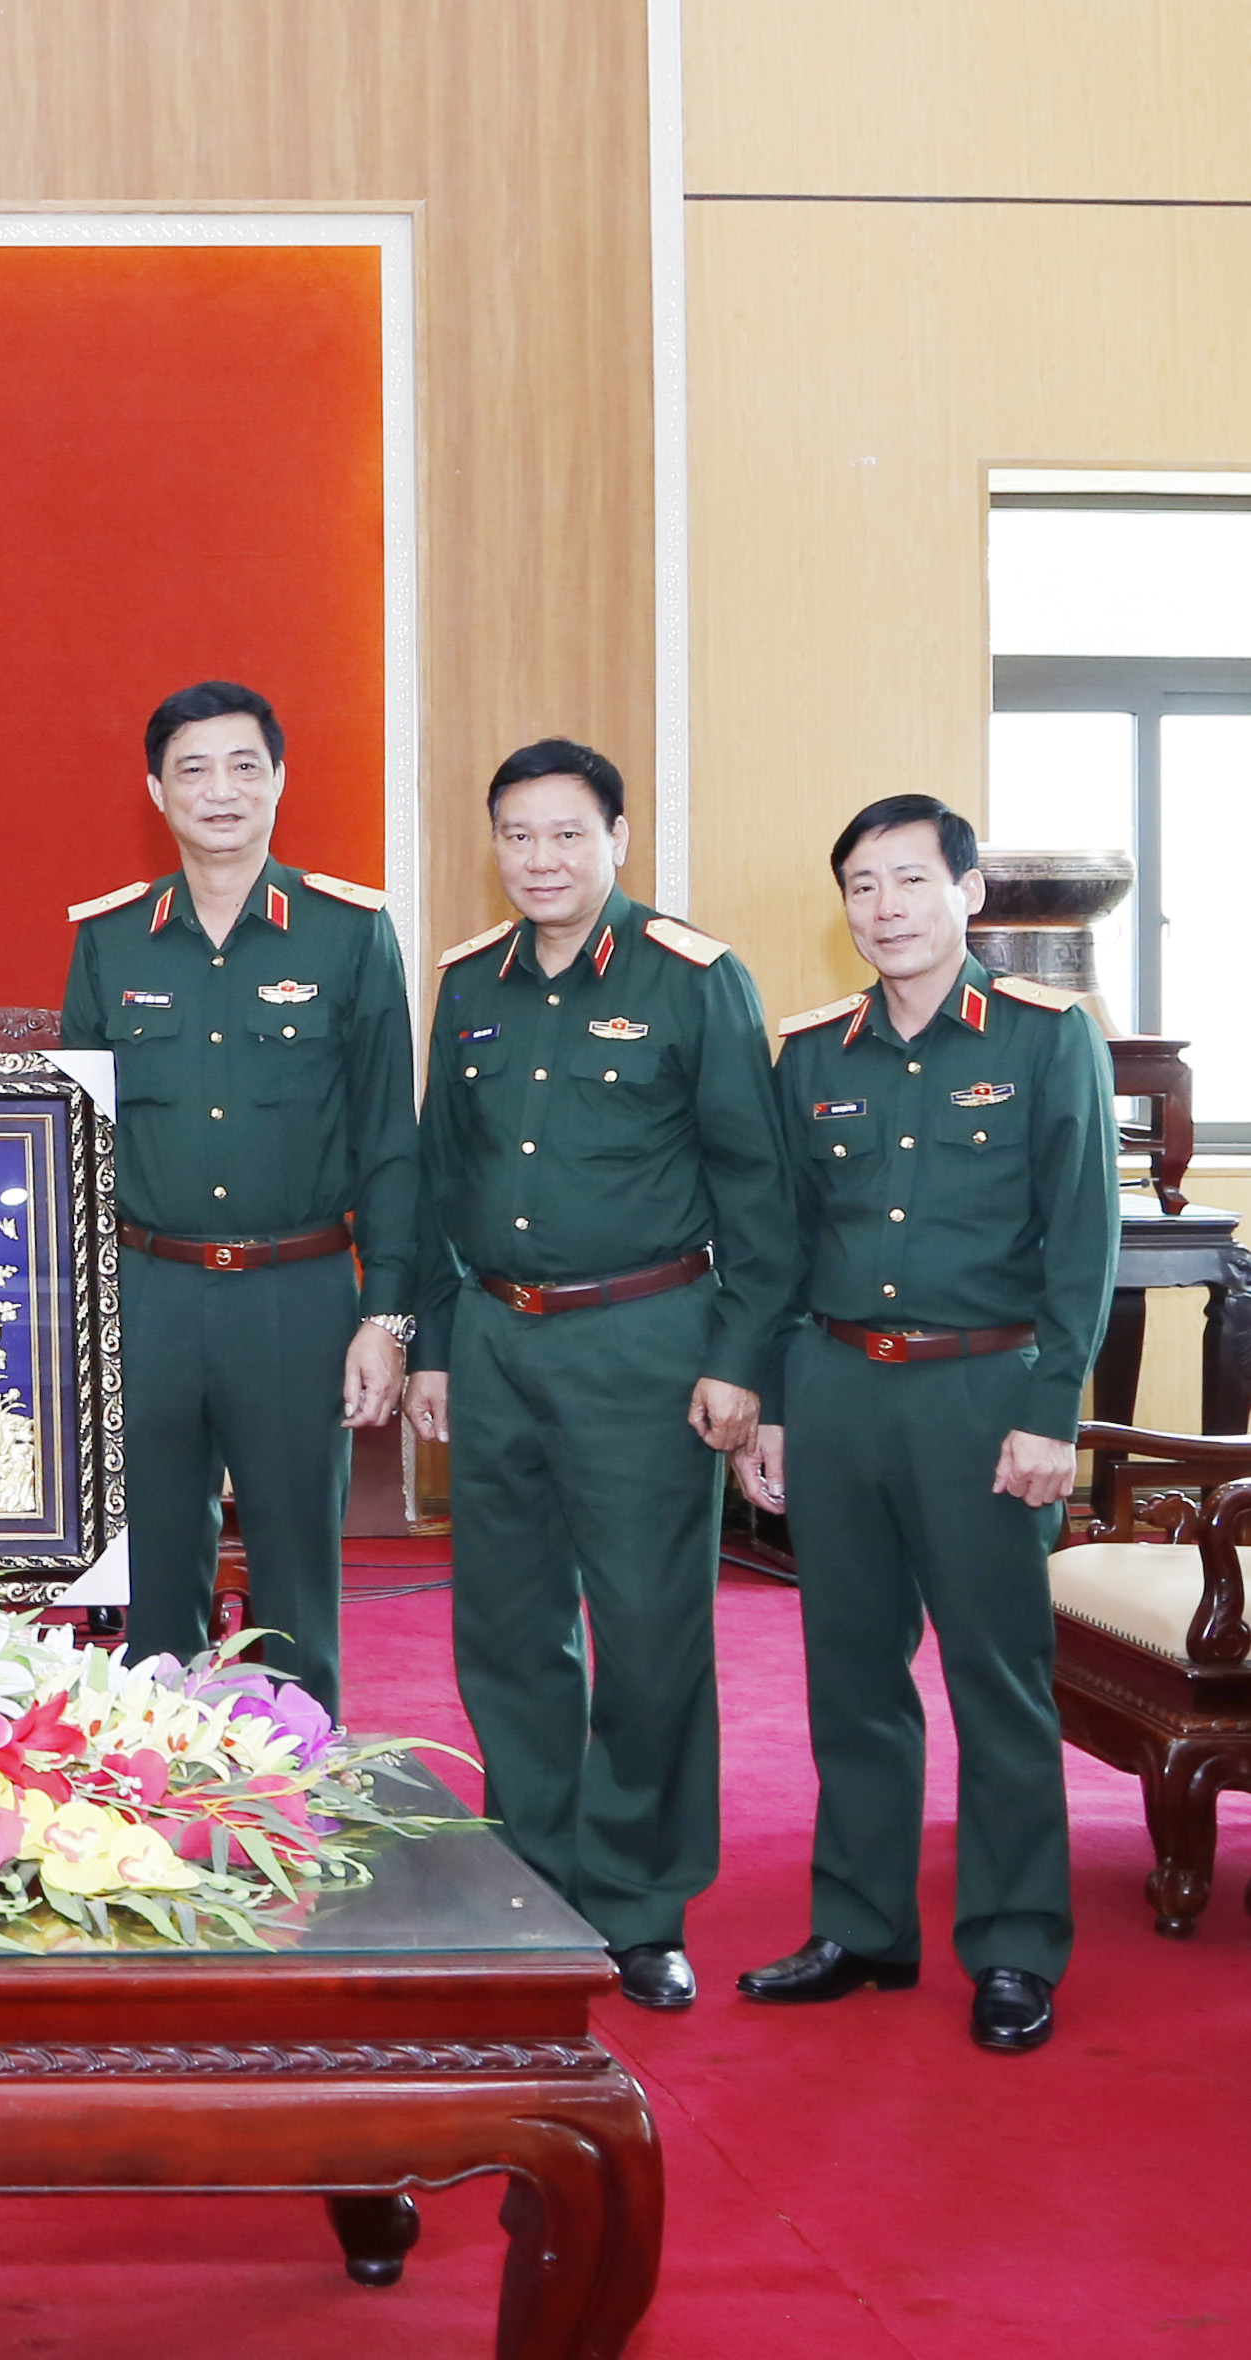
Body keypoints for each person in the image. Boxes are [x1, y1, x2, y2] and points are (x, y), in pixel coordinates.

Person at [401, 739, 799, 2011]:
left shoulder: (694, 979)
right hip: (497, 1339)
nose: (541, 859)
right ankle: (533, 1874)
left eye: (567, 833)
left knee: (647, 1632)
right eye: (517, 835)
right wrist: (434, 1345)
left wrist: (742, 1362)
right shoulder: (469, 980)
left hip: (646, 1342)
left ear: (618, 839)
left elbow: (759, 1189)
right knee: (507, 1629)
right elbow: (438, 1178)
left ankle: (638, 1904)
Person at [731, 797, 1115, 2053]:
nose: (885, 907)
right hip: (839, 1390)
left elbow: (1084, 1242)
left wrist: (1053, 1414)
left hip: (983, 1397)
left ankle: (1013, 1946)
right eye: (861, 885)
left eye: (909, 880)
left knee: (996, 1681)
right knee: (850, 1674)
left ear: (969, 893)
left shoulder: (1047, 1037)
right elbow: (781, 1245)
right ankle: (862, 1927)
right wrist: (773, 1406)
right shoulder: (813, 1053)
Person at [59, 680, 417, 1713]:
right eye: (194, 770)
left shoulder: (347, 933)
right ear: (156, 792)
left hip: (296, 1292)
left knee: (298, 1568)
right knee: (152, 1567)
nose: (220, 791)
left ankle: (300, 1777)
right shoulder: (111, 940)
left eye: (243, 767)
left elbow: (391, 1140)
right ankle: (155, 1783)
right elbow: (77, 1141)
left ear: (279, 781)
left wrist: (387, 1316)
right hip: (149, 1293)